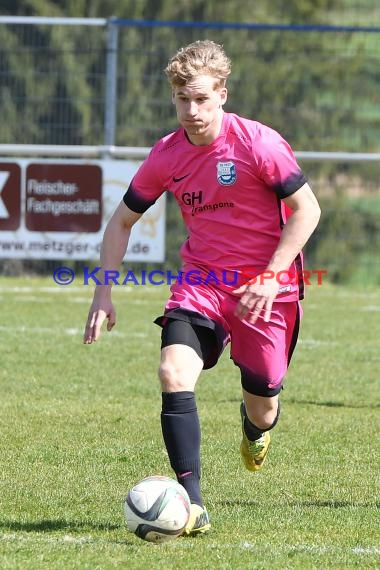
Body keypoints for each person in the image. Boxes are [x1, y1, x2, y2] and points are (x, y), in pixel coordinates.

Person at [84, 39, 321, 536]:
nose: (191, 111)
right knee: (173, 371)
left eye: (201, 100)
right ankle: (192, 506)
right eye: (182, 100)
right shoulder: (167, 155)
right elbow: (121, 223)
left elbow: (307, 210)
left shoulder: (258, 143)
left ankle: (255, 426)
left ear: (222, 96)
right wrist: (102, 292)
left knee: (264, 403)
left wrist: (273, 272)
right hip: (202, 284)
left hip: (267, 293)